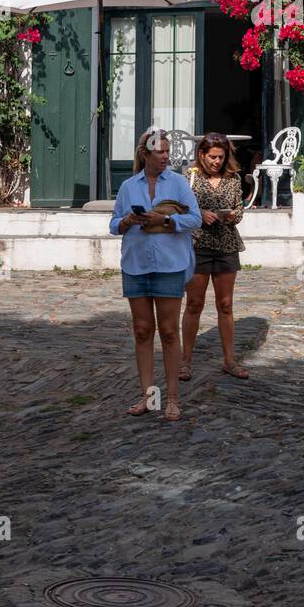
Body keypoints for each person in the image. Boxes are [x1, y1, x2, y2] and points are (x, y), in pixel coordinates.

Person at [109, 128, 202, 422]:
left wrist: (166, 219)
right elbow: (113, 224)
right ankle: (149, 398)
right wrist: (125, 221)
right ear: (144, 154)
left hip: (169, 265)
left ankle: (172, 398)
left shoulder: (178, 183)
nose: (165, 156)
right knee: (142, 331)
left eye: (167, 151)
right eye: (159, 152)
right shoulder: (128, 187)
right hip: (135, 264)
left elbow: (195, 219)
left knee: (170, 332)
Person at [181, 133, 249, 381]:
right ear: (202, 155)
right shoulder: (189, 178)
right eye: (212, 157)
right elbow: (179, 207)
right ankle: (185, 361)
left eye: (221, 157)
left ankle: (229, 360)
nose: (217, 162)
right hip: (198, 246)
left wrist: (232, 216)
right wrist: (201, 213)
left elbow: (240, 210)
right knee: (194, 304)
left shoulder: (233, 179)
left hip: (226, 245)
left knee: (226, 305)